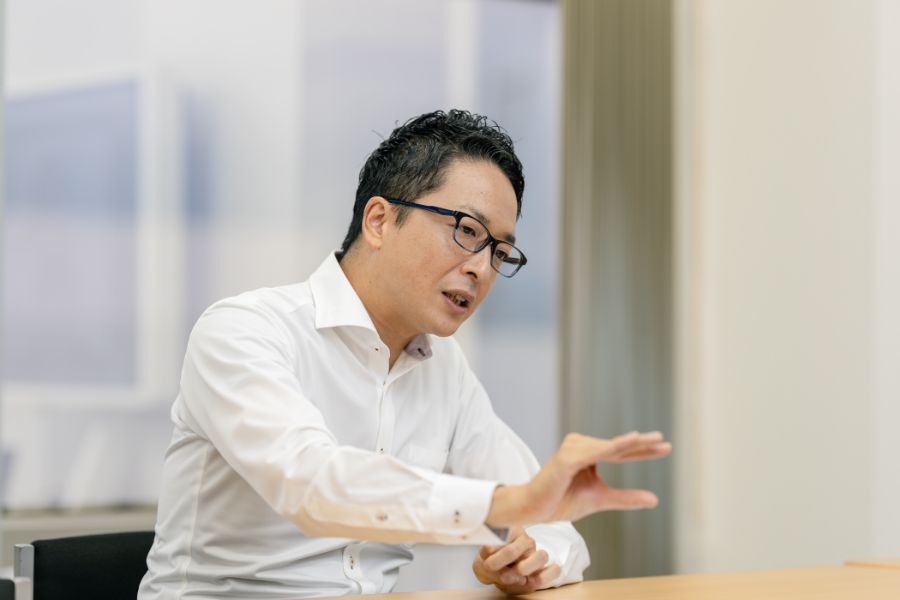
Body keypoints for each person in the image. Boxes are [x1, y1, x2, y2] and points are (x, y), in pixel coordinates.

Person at [138, 110, 671, 599]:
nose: (481, 268)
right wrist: (502, 506)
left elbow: (552, 527)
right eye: (467, 231)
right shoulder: (244, 330)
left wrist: (530, 561)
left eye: (500, 251)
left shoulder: (444, 371)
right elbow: (310, 485)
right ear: (378, 221)